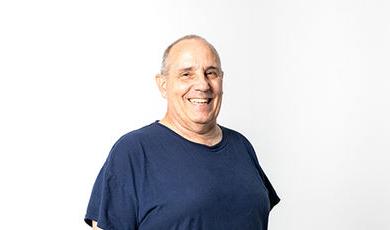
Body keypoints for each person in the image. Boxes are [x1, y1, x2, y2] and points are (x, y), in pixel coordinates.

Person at [84, 35, 280, 230]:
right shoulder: (133, 152)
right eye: (187, 74)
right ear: (163, 84)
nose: (203, 85)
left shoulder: (241, 145)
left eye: (211, 73)